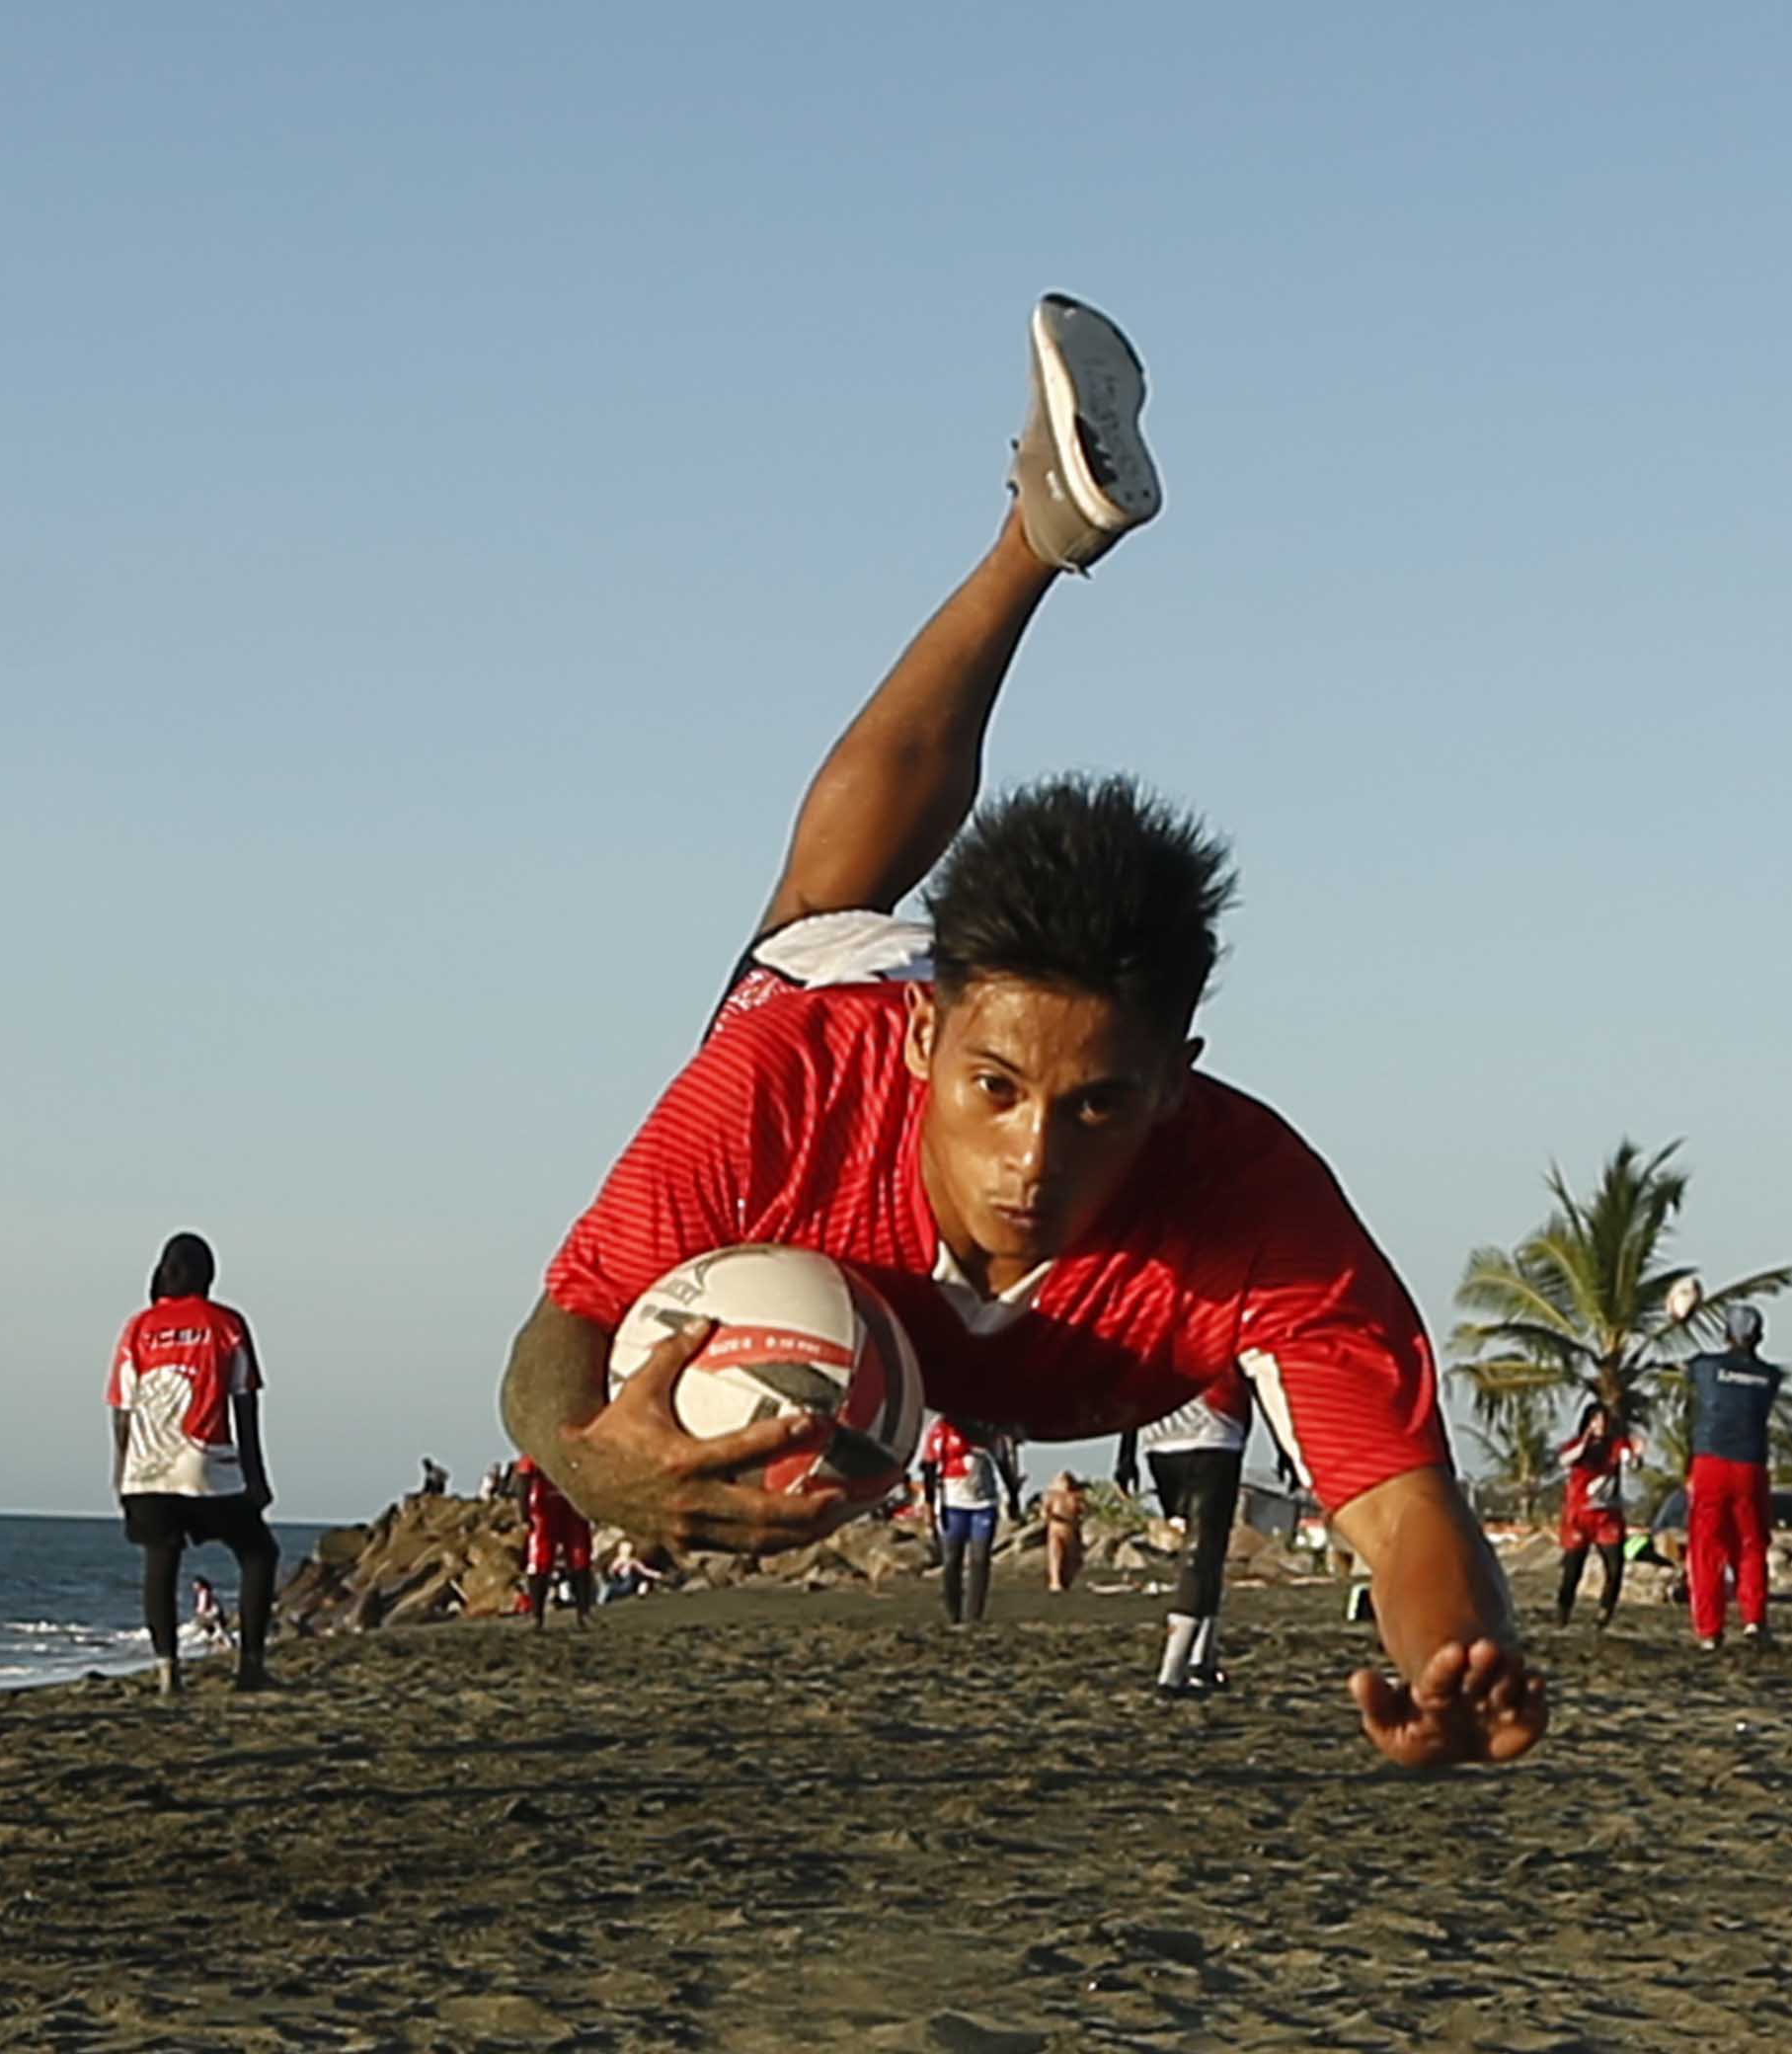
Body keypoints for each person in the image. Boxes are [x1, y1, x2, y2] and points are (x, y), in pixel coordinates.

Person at [496, 294, 1539, 1770]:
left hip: (1025, 1087)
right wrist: (588, 1464)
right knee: (811, 905)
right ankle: (1031, 536)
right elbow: (561, 1329)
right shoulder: (790, 1080)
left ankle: (1043, 525)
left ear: (1178, 1081)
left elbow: (1396, 1499)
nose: (1031, 1156)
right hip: (847, 1004)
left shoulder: (1254, 1204)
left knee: (847, 893)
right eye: (993, 1090)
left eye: (1098, 1107)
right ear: (923, 1043)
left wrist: (1449, 1660)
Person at [109, 1232, 277, 1697]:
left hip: (146, 1469)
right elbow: (244, 1404)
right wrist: (256, 1477)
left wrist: (121, 1475)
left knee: (161, 1562)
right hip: (207, 1464)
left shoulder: (138, 1329)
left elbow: (122, 1410)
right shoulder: (226, 1324)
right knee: (258, 1553)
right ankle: (250, 1667)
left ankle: (167, 1673)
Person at [1116, 1376, 1263, 1691]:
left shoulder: (1154, 1329)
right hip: (1215, 1433)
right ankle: (1172, 1673)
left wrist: (1125, 1453)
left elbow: (1134, 1380)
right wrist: (1287, 1445)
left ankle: (1202, 1660)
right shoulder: (1228, 1327)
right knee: (1204, 1553)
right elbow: (1258, 1377)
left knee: (1203, 1552)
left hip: (1159, 1439)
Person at [1682, 1309, 1786, 1652]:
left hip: (1710, 1461)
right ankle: (1755, 1620)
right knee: (1752, 1542)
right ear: (1760, 1335)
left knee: (1707, 1546)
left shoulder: (1706, 1367)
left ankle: (1710, 1631)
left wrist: (1682, 1319)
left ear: (1727, 1334)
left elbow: (1692, 1371)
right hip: (1751, 1465)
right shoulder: (1770, 1377)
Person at [1552, 1397, 1638, 1625]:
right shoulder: (1576, 1444)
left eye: (1604, 1419)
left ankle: (1604, 1611)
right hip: (1579, 1516)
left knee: (1615, 1566)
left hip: (1607, 1517)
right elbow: (1564, 1460)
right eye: (1596, 1419)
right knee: (1572, 1570)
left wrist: (1634, 1458)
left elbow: (1628, 1459)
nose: (1601, 1423)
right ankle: (1563, 1611)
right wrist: (1584, 1445)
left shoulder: (1617, 1444)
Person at [923, 1414, 1005, 1627]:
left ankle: (974, 1616)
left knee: (980, 1559)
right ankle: (954, 1615)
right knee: (952, 1559)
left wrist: (1013, 1496)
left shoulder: (990, 1429)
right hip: (953, 1503)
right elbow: (930, 1467)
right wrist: (929, 1504)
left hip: (984, 1503)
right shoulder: (941, 1429)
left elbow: (1003, 1462)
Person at [512, 1457, 596, 1627]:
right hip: (545, 1503)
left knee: (579, 1555)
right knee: (541, 1558)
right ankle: (537, 1615)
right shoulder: (536, 1449)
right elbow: (524, 1475)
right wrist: (524, 1512)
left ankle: (584, 1614)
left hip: (568, 1502)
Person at [1039, 1470, 1089, 1592]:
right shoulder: (1052, 1495)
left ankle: (1065, 1582)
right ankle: (1055, 1582)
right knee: (1056, 1555)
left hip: (1072, 1529)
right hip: (1056, 1527)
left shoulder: (1076, 1496)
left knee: (1072, 1560)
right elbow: (1044, 1512)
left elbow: (1085, 1511)